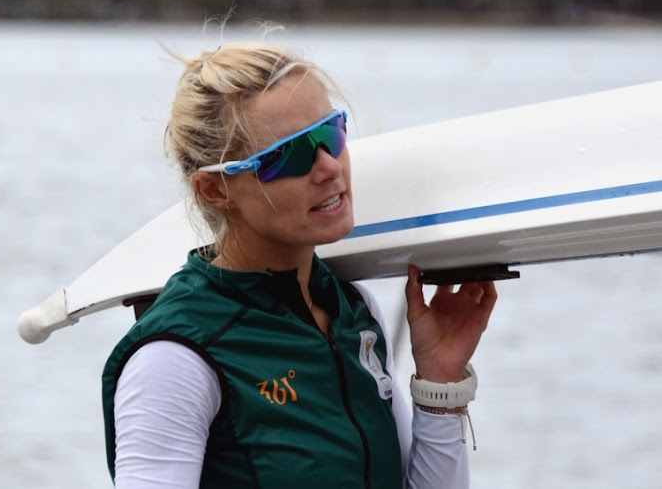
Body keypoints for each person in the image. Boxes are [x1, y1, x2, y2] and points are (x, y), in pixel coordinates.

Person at [102, 40, 497, 488]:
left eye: (331, 134)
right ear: (214, 190)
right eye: (289, 155)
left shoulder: (354, 309)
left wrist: (439, 386)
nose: (329, 166)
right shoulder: (175, 357)